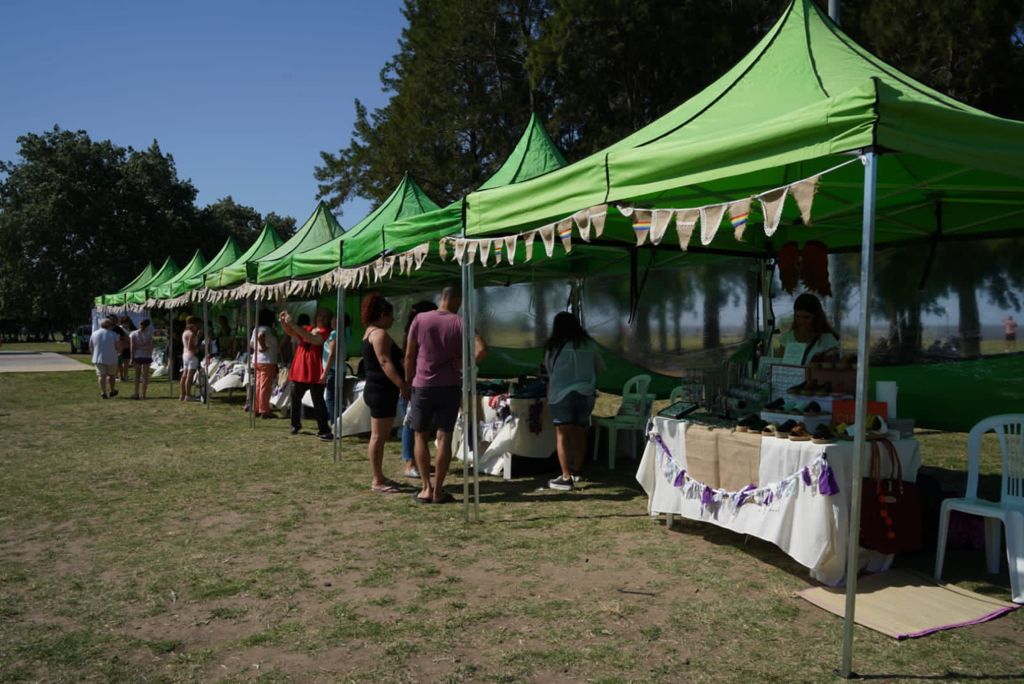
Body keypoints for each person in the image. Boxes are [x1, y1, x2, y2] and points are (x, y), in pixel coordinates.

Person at [404, 285, 487, 504]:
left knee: (420, 435)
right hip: (449, 386)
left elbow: (409, 355)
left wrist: (407, 382)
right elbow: (481, 350)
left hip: (422, 385)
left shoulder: (420, 319)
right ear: (457, 300)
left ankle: (425, 488)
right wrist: (464, 362)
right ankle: (438, 490)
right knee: (444, 437)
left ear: (442, 297)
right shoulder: (461, 322)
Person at [544, 312, 605, 490]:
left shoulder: (554, 346)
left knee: (562, 434)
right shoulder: (589, 344)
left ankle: (565, 477)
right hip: (586, 393)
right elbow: (600, 368)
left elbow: (548, 370)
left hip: (561, 394)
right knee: (580, 432)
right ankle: (577, 470)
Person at [360, 294, 409, 493]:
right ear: (382, 315)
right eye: (390, 315)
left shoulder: (369, 332)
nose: (393, 319)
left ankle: (379, 476)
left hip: (377, 389)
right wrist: (401, 384)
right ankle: (377, 480)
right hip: (381, 391)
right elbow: (385, 362)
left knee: (379, 437)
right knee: (378, 437)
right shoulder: (379, 334)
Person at [280, 308, 333, 440]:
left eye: (325, 316)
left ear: (329, 320)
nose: (322, 318)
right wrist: (283, 322)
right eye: (320, 315)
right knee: (295, 398)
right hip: (300, 369)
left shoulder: (327, 332)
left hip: (315, 371)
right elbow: (291, 332)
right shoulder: (308, 328)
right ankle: (295, 425)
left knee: (318, 401)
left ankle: (324, 429)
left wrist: (292, 324)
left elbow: (312, 339)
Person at [399, 301, 437, 479]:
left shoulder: (419, 332)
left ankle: (420, 461)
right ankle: (409, 462)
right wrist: (408, 383)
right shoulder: (413, 334)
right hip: (413, 385)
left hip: (420, 384)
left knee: (420, 427)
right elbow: (408, 359)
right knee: (410, 425)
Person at [775, 293, 840, 366]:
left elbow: (834, 367)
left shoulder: (828, 340)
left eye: (807, 317)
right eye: (798, 316)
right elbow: (779, 365)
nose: (802, 321)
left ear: (816, 317)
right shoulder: (787, 338)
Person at [251, 309, 279, 418]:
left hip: (257, 360)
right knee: (265, 386)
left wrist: (259, 347)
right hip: (267, 360)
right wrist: (263, 346)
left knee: (258, 385)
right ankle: (264, 410)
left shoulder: (256, 329)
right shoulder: (266, 329)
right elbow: (260, 336)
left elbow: (251, 343)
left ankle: (257, 408)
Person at [89, 318, 120, 399]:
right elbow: (117, 346)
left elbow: (91, 346)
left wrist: (93, 354)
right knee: (112, 375)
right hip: (111, 357)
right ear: (110, 325)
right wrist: (119, 352)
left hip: (98, 357)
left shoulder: (94, 334)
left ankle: (103, 392)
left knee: (101, 375)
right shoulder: (113, 334)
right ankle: (112, 390)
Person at [129, 318, 154, 399]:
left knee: (137, 375)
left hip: (137, 355)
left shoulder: (133, 333)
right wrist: (149, 352)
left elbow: (132, 346)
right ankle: (143, 394)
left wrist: (131, 357)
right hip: (146, 355)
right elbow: (151, 346)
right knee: (145, 375)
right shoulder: (149, 334)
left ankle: (136, 393)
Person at [180, 315, 202, 401]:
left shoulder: (185, 332)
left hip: (185, 355)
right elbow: (190, 347)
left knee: (184, 375)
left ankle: (183, 394)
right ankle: (188, 395)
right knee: (189, 376)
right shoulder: (191, 334)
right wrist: (199, 347)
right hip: (192, 356)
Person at [118, 316, 136, 381]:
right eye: (125, 322)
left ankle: (125, 375)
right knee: (120, 363)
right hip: (122, 347)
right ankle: (120, 376)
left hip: (128, 347)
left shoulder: (129, 328)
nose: (127, 324)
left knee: (126, 363)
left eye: (128, 322)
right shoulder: (120, 328)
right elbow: (120, 338)